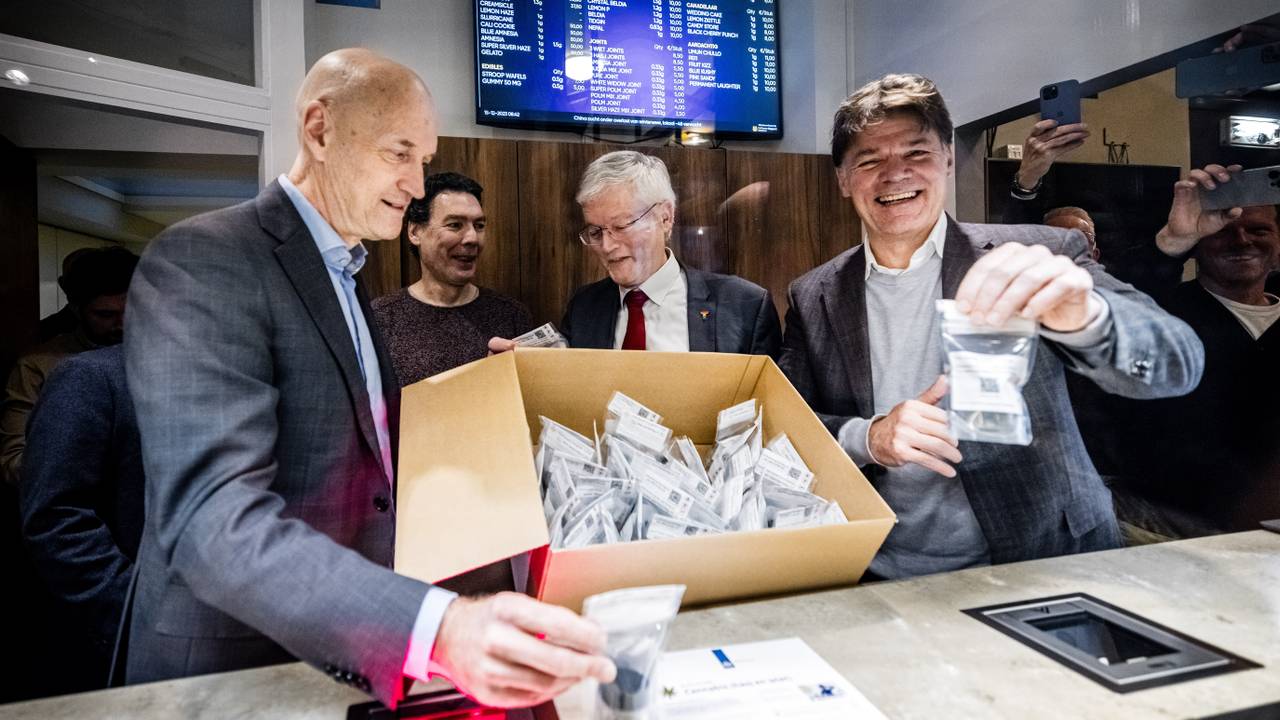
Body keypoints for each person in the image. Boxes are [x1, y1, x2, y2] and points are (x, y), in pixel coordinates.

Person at [123, 48, 613, 709]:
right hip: (230, 670)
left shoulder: (345, 275)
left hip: (342, 658)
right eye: (398, 153)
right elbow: (214, 522)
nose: (416, 184)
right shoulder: (206, 260)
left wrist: (497, 402)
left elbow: (364, 457)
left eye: (423, 158)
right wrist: (441, 626)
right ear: (320, 130)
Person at [779, 73, 1204, 580]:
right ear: (844, 179)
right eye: (870, 160)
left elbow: (1176, 364)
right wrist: (868, 437)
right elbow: (791, 427)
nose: (894, 174)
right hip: (881, 571)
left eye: (916, 153)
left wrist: (1084, 316)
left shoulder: (1037, 253)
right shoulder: (814, 294)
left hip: (1043, 559)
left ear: (947, 161)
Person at [1105, 164, 1280, 541]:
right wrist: (1170, 241)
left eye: (1259, 229)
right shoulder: (1160, 313)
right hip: (1168, 524)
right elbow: (1107, 307)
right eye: (1223, 231)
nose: (1243, 240)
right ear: (1200, 242)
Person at [493, 151, 781, 356]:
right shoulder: (585, 307)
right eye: (595, 232)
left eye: (621, 226)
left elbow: (770, 412)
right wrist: (522, 369)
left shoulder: (744, 306)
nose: (606, 246)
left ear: (665, 217)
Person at [18, 344, 144, 689]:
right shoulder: (89, 377)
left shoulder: (237, 379)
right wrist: (135, 609)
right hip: (114, 644)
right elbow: (55, 517)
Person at [373, 171, 533, 386]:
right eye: (455, 225)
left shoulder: (512, 315)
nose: (472, 238)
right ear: (415, 231)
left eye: (479, 226)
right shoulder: (380, 319)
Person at [1, 245, 137, 487]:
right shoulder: (39, 366)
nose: (121, 325)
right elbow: (14, 461)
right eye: (105, 315)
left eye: (132, 312)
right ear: (76, 309)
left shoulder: (164, 354)